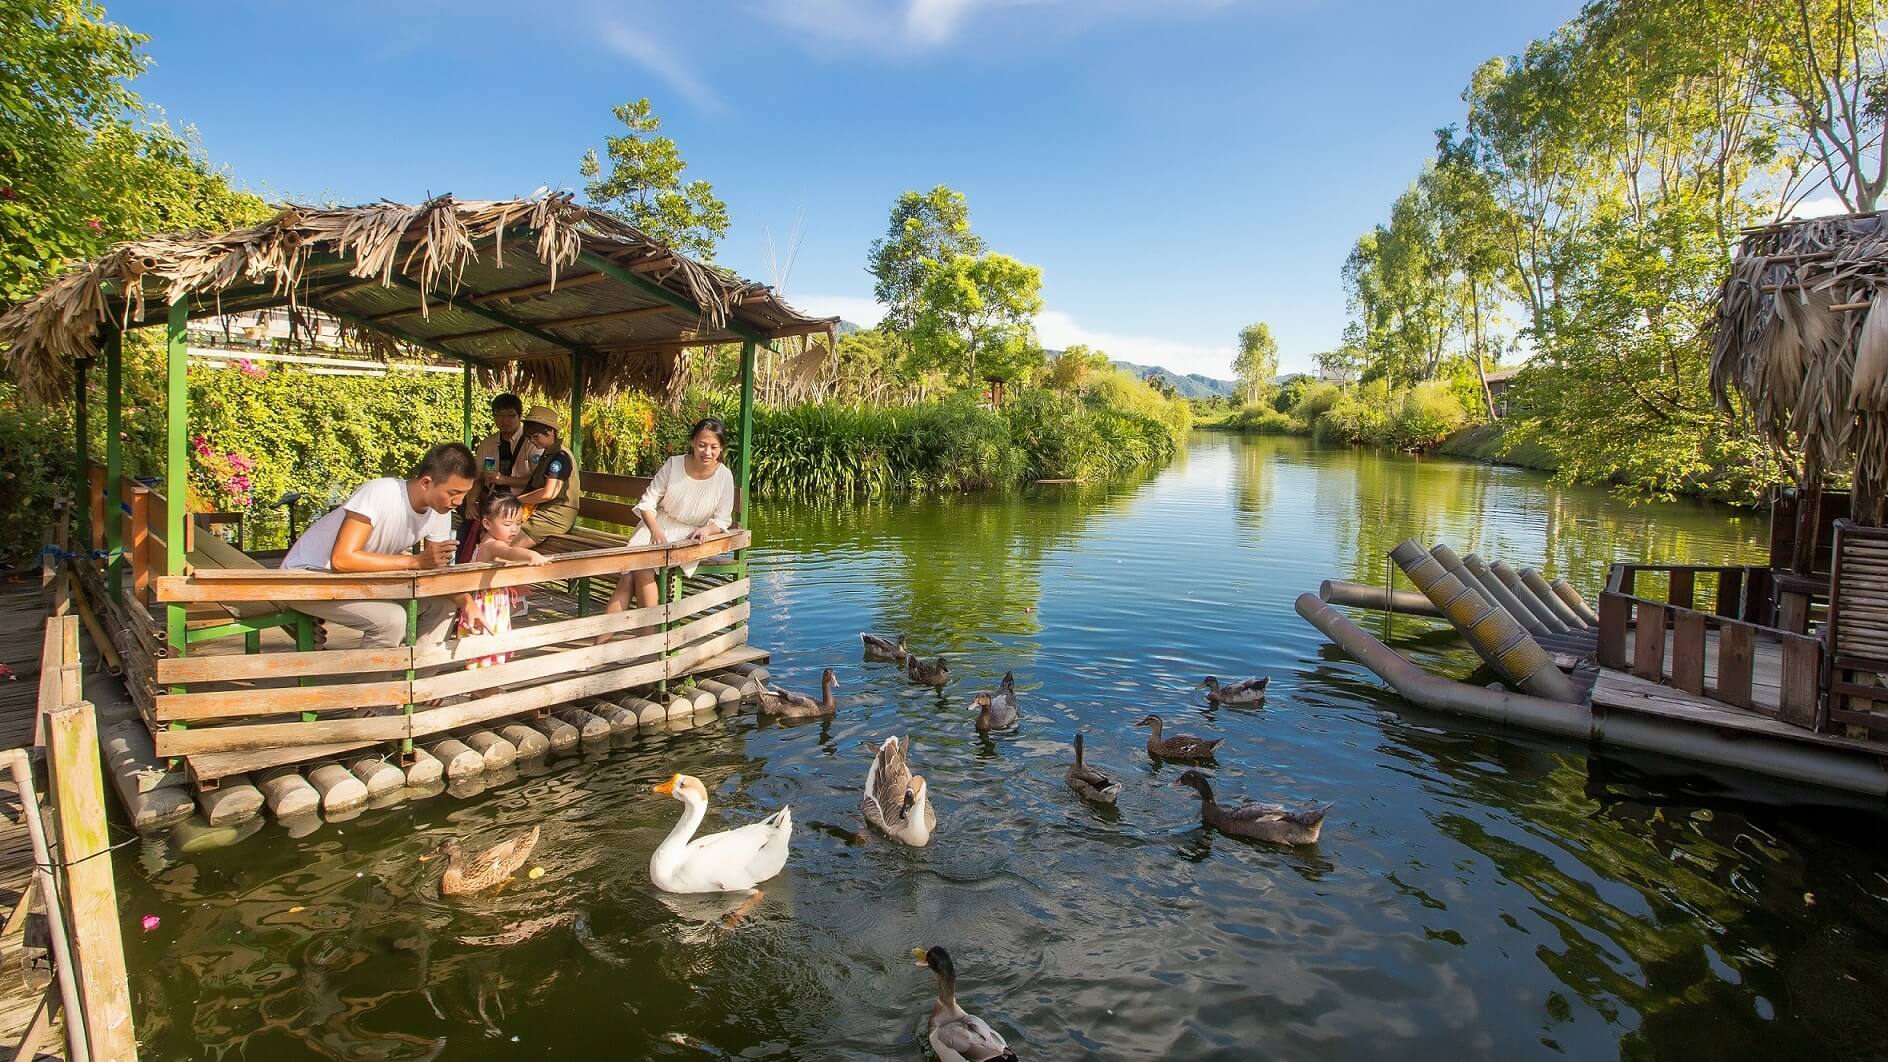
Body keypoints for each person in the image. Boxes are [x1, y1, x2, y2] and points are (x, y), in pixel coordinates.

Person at [281, 442, 477, 649]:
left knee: (443, 605)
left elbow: (435, 570)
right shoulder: (379, 493)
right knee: (391, 620)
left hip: (359, 580)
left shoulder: (440, 511)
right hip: (308, 578)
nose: (459, 501)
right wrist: (415, 561)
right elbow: (342, 560)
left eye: (465, 494)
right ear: (426, 483)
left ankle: (419, 677)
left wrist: (466, 601)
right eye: (453, 492)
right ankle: (373, 681)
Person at [603, 417, 736, 619]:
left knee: (640, 568)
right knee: (630, 575)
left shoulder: (724, 476)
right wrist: (655, 531)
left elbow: (723, 519)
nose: (707, 452)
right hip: (656, 528)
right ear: (692, 442)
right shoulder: (674, 464)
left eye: (713, 447)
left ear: (721, 448)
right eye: (702, 445)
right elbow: (647, 502)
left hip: (688, 536)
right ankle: (638, 636)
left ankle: (644, 634)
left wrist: (707, 530)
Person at [457, 493, 547, 669]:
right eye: (507, 524)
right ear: (487, 523)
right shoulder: (492, 545)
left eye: (519, 523)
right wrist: (531, 554)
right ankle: (487, 692)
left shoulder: (491, 541)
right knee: (486, 655)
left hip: (494, 603)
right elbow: (509, 553)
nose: (514, 529)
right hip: (487, 608)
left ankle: (483, 692)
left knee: (489, 656)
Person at [457, 392, 538, 561]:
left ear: (519, 416)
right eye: (499, 416)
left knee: (494, 531)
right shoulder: (488, 443)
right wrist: (471, 502)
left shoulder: (532, 443)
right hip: (492, 501)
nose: (505, 421)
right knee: (467, 522)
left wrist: (502, 479)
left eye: (510, 415)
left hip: (519, 503)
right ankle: (462, 568)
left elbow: (536, 481)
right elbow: (478, 477)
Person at [513, 404, 582, 549]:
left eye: (536, 436)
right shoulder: (548, 453)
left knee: (508, 546)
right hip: (541, 511)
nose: (532, 440)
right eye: (529, 437)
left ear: (551, 431)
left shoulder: (560, 457)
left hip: (555, 514)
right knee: (495, 533)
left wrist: (517, 500)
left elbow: (548, 493)